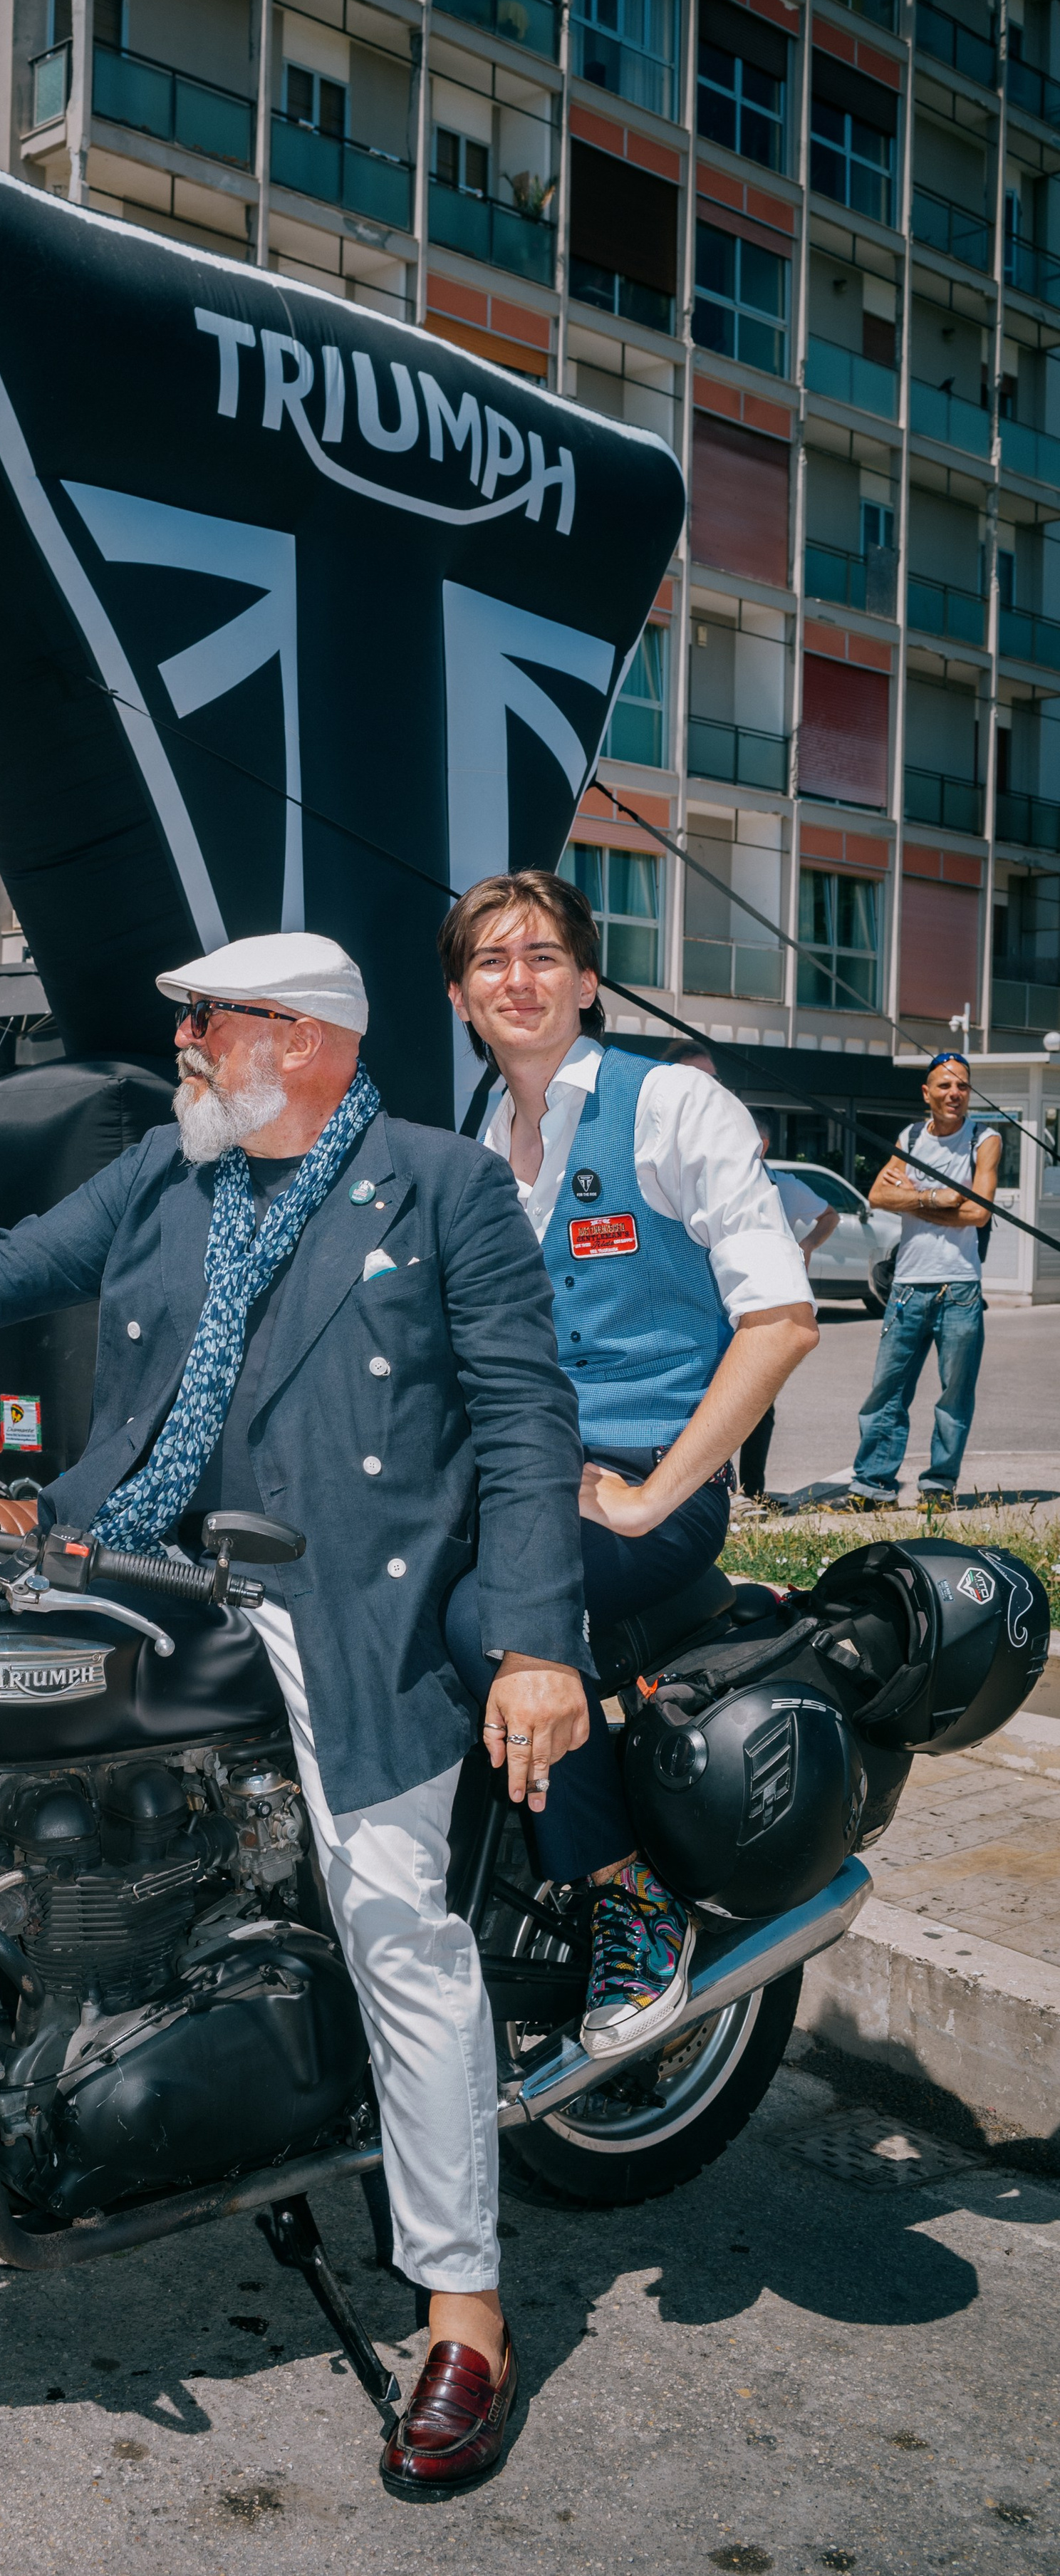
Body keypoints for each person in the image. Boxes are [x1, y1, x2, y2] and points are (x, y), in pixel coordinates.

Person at [0, 932, 596, 2502]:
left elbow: (519, 1408)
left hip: (343, 1597)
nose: (185, 1046)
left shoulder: (436, 1186)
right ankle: (15, 2088)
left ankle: (462, 2311)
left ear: (296, 1039)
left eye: (205, 1021)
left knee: (391, 1922)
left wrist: (535, 1642)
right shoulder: (169, 1173)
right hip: (131, 1555)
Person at [441, 871, 818, 2051]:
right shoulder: (473, 1136)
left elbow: (781, 1320)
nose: (520, 978)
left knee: (484, 1621)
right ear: (461, 995)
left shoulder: (672, 1109)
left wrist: (662, 1491)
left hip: (640, 1482)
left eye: (544, 954)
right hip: (511, 1475)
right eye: (492, 960)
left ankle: (627, 1894)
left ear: (589, 980)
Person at [847, 1053, 999, 1511]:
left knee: (954, 1395)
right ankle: (872, 1487)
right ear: (927, 1093)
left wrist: (911, 1200)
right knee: (887, 1392)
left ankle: (938, 1487)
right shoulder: (910, 1137)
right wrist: (939, 1196)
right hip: (909, 1285)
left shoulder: (983, 1138)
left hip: (961, 1288)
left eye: (963, 1087)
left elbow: (978, 1212)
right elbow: (877, 1195)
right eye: (945, 1086)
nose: (955, 1094)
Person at [738, 1110, 838, 1505]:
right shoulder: (709, 1179)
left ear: (760, 1146)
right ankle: (705, 1493)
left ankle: (752, 1494)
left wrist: (808, 1245)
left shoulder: (784, 1187)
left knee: (760, 1402)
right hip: (713, 1305)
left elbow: (829, 1215)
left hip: (768, 1305)